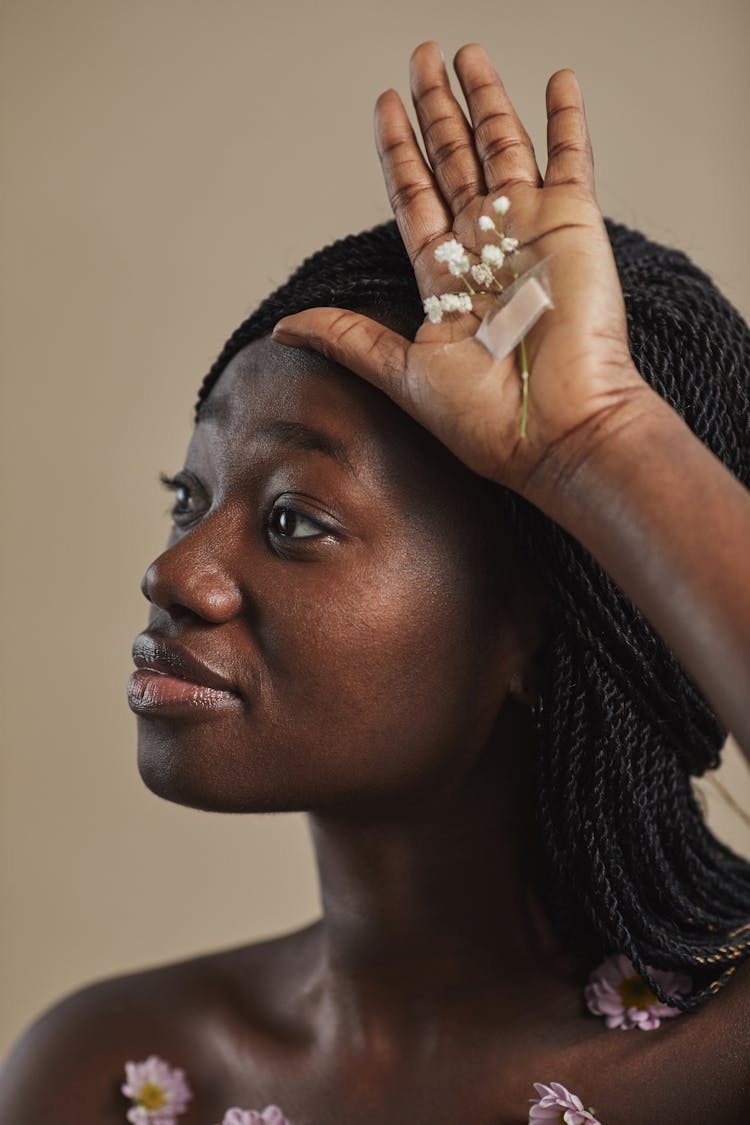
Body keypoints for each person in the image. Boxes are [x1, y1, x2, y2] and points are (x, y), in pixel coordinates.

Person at [1, 40, 750, 1125]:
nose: (173, 573)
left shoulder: (719, 1070)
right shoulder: (109, 1070)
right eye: (187, 499)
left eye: (293, 520)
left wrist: (595, 442)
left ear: (536, 627)